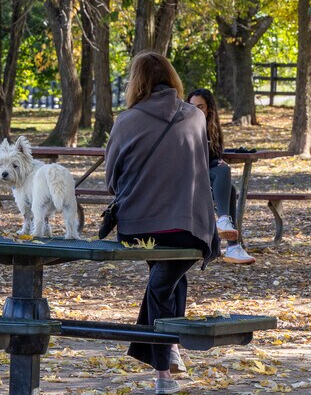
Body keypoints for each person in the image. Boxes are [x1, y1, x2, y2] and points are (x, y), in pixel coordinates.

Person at [105, 51, 220, 395]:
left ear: (137, 81)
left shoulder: (126, 120)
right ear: (171, 78)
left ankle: (163, 371)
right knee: (168, 278)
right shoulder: (196, 118)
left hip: (140, 227)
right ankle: (168, 352)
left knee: (161, 282)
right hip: (191, 224)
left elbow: (113, 180)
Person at [185, 88, 256, 265]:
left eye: (200, 106)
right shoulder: (183, 127)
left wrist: (217, 161)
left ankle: (232, 246)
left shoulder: (212, 128)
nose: (196, 110)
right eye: (192, 106)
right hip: (185, 176)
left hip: (202, 174)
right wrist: (216, 163)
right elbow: (188, 159)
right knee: (223, 171)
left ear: (209, 109)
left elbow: (212, 156)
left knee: (230, 189)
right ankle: (227, 231)